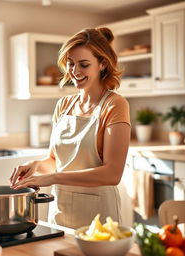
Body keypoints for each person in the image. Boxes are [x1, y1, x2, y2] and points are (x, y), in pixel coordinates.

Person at [10, 27, 131, 229]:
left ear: (102, 64)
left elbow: (112, 173)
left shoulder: (114, 105)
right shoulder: (64, 105)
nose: (74, 71)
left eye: (84, 64)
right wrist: (36, 166)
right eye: (71, 63)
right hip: (60, 211)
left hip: (98, 218)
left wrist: (52, 178)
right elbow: (55, 160)